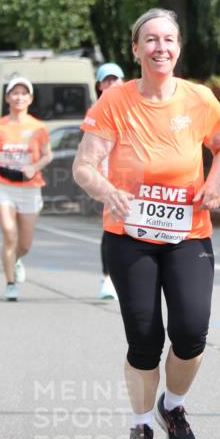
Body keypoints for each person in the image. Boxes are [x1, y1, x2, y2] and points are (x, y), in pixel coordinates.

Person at [73, 9, 220, 439]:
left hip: (188, 232)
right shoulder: (115, 101)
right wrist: (107, 190)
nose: (160, 47)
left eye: (168, 39)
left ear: (178, 48)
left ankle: (173, 406)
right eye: (150, 39)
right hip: (130, 234)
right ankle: (142, 423)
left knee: (191, 331)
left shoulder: (200, 99)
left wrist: (214, 183)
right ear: (135, 49)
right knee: (144, 339)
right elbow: (84, 166)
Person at [0, 77, 53, 301]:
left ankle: (16, 259)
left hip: (30, 188)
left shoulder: (38, 127)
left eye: (23, 93)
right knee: (9, 233)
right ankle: (10, 284)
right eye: (15, 93)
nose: (19, 97)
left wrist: (34, 167)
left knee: (25, 244)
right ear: (7, 97)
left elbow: (48, 155)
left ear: (30, 98)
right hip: (3, 186)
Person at [94, 62, 125, 300]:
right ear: (100, 86)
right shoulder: (95, 111)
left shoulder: (134, 107)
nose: (112, 84)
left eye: (116, 79)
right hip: (108, 178)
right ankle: (107, 279)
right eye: (107, 80)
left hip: (135, 176)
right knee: (112, 227)